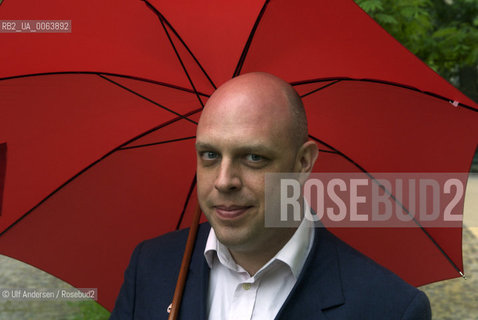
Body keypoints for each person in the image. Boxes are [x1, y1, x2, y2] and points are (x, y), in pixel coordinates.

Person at [110, 72, 431, 320]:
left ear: (303, 162)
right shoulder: (150, 267)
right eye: (209, 155)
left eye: (253, 158)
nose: (224, 181)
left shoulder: (389, 308)